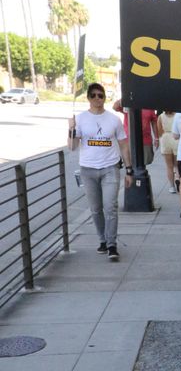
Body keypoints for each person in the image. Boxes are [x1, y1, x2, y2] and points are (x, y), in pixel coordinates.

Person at [68, 83, 133, 261]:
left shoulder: (114, 120)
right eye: (94, 95)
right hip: (88, 169)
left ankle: (112, 244)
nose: (98, 99)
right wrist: (71, 129)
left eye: (101, 95)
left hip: (110, 168)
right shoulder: (81, 118)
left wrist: (129, 170)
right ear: (88, 98)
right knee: (96, 209)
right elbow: (72, 147)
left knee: (110, 206)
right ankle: (102, 240)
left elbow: (124, 145)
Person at [112, 99, 159, 165]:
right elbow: (115, 107)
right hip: (130, 140)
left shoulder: (149, 104)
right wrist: (125, 96)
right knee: (130, 163)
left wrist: (156, 138)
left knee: (145, 162)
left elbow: (154, 121)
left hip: (145, 140)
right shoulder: (129, 104)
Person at [157, 111, 179, 193]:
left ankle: (172, 187)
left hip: (165, 139)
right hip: (176, 139)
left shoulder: (160, 117)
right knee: (177, 165)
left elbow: (159, 131)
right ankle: (178, 178)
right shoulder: (177, 115)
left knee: (169, 166)